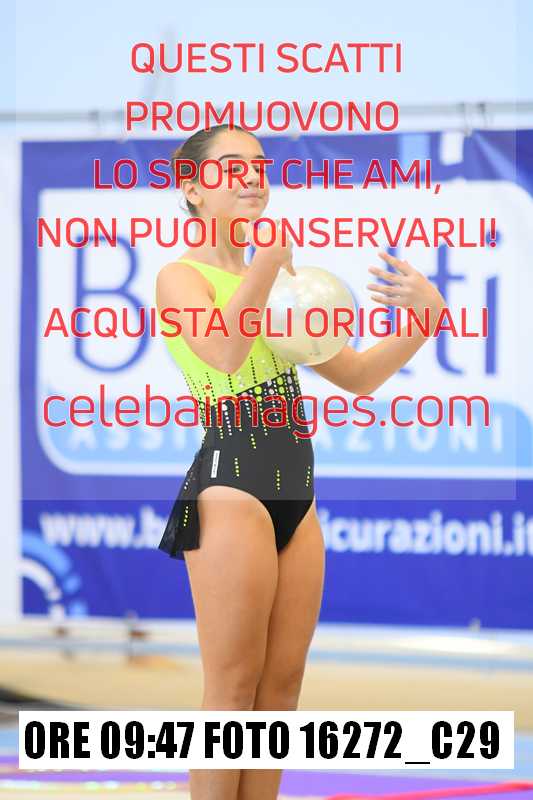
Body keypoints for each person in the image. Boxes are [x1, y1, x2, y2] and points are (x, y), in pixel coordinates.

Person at [155, 123, 445, 800]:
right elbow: (223, 352)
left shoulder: (281, 281)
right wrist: (262, 267)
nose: (252, 177)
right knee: (232, 689)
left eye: (259, 165)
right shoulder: (180, 277)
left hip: (297, 490)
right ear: (193, 188)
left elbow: (359, 376)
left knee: (280, 691)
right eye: (232, 166)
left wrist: (425, 318)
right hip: (231, 487)